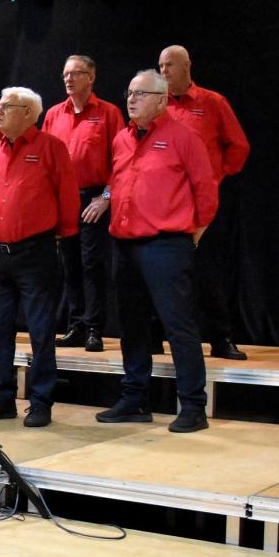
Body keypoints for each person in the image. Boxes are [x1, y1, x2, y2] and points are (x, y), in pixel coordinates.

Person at [97, 69, 218, 434]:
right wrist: (106, 198)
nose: (131, 99)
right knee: (132, 326)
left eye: (141, 94)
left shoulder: (184, 137)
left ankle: (193, 406)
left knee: (178, 325)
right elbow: (116, 182)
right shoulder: (121, 138)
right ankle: (135, 399)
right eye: (129, 93)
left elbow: (206, 193)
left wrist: (191, 236)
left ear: (162, 100)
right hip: (125, 244)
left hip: (165, 244)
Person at [0, 87, 79, 429]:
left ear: (29, 113)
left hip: (36, 251)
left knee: (41, 330)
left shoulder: (51, 147)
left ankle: (41, 400)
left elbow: (67, 195)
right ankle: (2, 397)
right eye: (0, 106)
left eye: (7, 107)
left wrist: (61, 235)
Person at [159, 44, 251, 360]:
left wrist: (216, 175)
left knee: (206, 271)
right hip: (164, 202)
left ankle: (220, 338)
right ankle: (155, 336)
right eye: (161, 66)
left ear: (187, 65)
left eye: (170, 65)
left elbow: (238, 146)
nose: (164, 71)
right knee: (161, 269)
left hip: (201, 202)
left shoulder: (211, 102)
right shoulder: (157, 104)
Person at [42, 55, 124, 353]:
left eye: (75, 73)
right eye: (65, 73)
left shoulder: (108, 113)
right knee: (69, 264)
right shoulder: (54, 114)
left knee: (92, 264)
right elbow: (46, 160)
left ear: (91, 77)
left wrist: (106, 198)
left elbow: (122, 159)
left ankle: (94, 328)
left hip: (94, 198)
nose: (68, 78)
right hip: (63, 199)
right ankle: (75, 325)